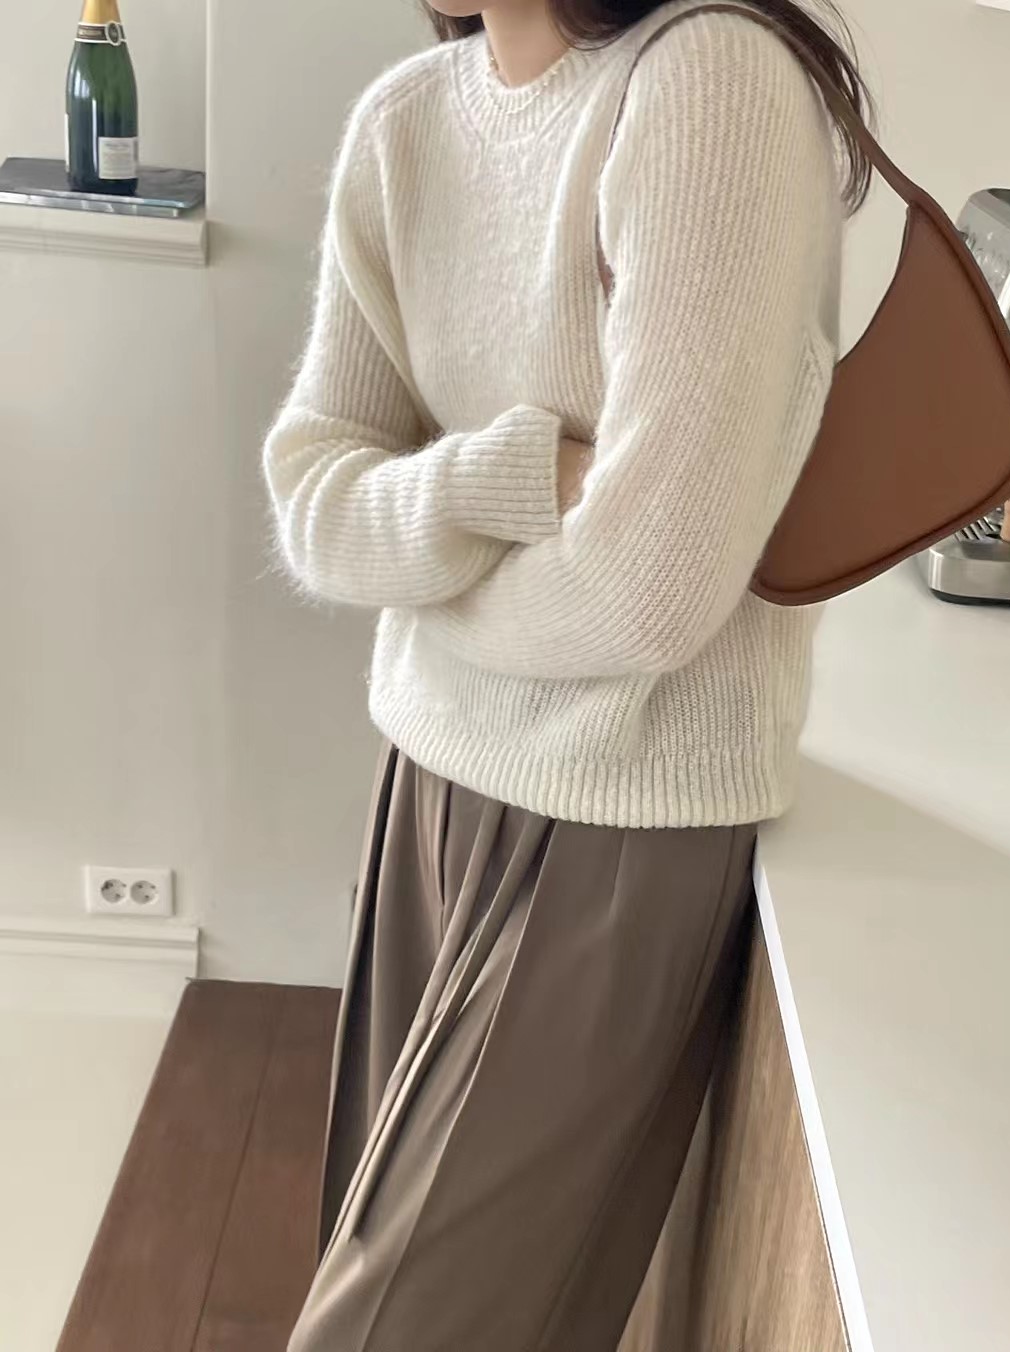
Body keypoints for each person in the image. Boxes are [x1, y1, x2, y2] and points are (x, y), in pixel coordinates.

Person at [264, 0, 870, 1347]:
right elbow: (311, 501)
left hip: (618, 824)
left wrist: (424, 585)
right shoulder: (407, 120)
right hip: (425, 789)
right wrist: (521, 476)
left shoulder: (709, 81)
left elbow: (649, 593)